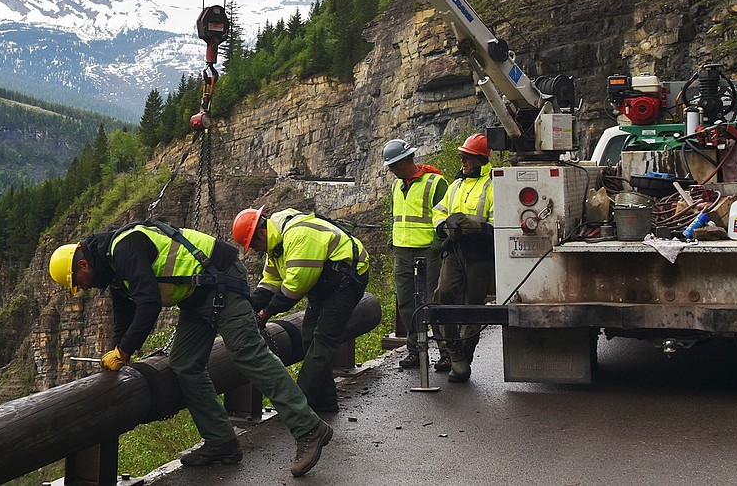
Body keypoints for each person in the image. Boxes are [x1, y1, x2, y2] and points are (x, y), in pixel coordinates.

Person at [48, 220, 332, 478]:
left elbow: (148, 303)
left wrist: (124, 350)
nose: (82, 289)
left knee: (248, 353)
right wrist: (119, 350)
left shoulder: (124, 248)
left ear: (83, 265)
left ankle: (309, 428)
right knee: (184, 363)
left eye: (78, 283)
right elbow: (125, 312)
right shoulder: (111, 269)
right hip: (198, 297)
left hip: (222, 281)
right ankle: (221, 441)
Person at [232, 206, 369, 414]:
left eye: (254, 244)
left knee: (323, 340)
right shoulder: (275, 244)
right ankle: (325, 403)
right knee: (309, 338)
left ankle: (299, 406)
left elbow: (294, 287)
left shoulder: (297, 236)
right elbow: (271, 281)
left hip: (346, 279)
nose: (256, 250)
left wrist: (265, 314)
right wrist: (249, 305)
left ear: (262, 232)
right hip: (323, 282)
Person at [382, 138, 452, 372]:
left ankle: (446, 353)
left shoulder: (435, 182)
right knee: (406, 302)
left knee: (432, 302)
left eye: (392, 165)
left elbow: (445, 215)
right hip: (402, 251)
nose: (390, 170)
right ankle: (414, 350)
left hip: (427, 252)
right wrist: (394, 242)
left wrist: (436, 245)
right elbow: (396, 216)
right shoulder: (397, 185)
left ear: (403, 162)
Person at [434, 132, 495, 384]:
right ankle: (452, 352)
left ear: (479, 159)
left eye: (467, 157)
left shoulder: (493, 185)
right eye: (461, 157)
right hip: (455, 248)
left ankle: (464, 359)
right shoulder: (455, 185)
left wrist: (479, 228)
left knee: (473, 307)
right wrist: (443, 227)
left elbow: (498, 221)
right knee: (443, 294)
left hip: (480, 252)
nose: (463, 161)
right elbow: (438, 212)